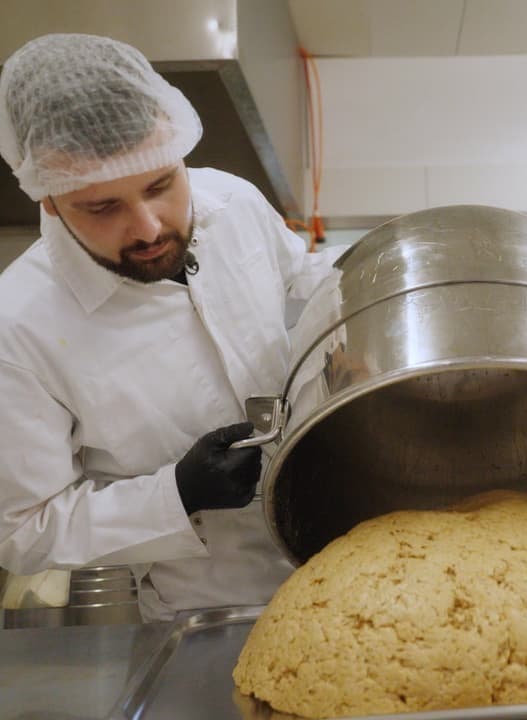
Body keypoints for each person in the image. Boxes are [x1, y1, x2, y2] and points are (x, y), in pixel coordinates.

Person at [0, 33, 342, 621]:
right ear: (49, 201)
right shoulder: (18, 327)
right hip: (215, 610)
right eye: (102, 207)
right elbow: (23, 529)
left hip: (346, 556)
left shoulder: (232, 202)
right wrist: (175, 495)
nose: (149, 226)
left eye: (161, 184)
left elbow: (308, 285)